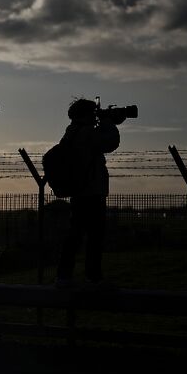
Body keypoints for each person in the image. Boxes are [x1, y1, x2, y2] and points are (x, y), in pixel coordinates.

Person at [55, 98, 121, 287]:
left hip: (80, 192)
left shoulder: (72, 132)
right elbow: (110, 143)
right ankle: (93, 277)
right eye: (93, 112)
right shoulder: (85, 133)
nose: (95, 116)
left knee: (75, 234)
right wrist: (109, 122)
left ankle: (64, 275)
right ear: (84, 115)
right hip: (91, 192)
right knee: (94, 237)